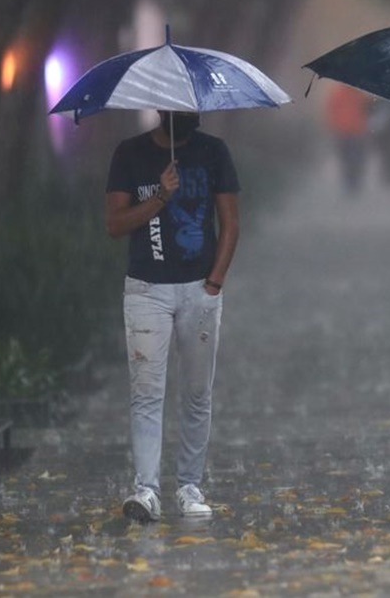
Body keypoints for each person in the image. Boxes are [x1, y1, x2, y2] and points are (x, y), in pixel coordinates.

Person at [105, 111, 240, 523]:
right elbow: (115, 224)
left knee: (198, 393)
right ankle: (146, 491)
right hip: (146, 290)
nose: (190, 116)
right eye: (180, 109)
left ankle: (189, 486)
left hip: (199, 288)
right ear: (163, 111)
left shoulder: (214, 152)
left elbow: (230, 222)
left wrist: (213, 283)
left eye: (194, 109)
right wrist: (160, 197)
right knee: (146, 393)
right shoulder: (130, 154)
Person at [323, 82, 371, 195]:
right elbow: (368, 110)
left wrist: (332, 125)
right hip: (356, 130)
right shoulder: (359, 94)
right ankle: (354, 182)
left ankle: (349, 182)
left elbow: (330, 110)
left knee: (346, 158)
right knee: (356, 158)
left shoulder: (337, 93)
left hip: (343, 131)